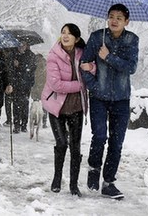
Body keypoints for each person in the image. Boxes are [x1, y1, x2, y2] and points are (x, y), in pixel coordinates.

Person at [79, 3, 139, 200]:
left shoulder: (132, 40)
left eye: (119, 18)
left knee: (117, 142)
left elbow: (131, 68)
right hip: (99, 97)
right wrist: (93, 87)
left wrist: (108, 57)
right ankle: (94, 168)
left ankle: (109, 182)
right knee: (100, 136)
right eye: (111, 16)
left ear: (126, 22)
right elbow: (83, 65)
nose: (114, 20)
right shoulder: (97, 37)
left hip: (121, 99)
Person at [42, 23, 87, 196]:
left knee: (75, 147)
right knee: (61, 143)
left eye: (69, 33)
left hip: (76, 106)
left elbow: (92, 72)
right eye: (63, 33)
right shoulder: (53, 55)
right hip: (56, 107)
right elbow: (56, 84)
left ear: (76, 38)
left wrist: (90, 68)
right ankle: (57, 178)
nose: (65, 36)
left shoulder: (83, 54)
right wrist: (80, 85)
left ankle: (74, 185)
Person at [9, 41, 36, 133]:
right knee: (16, 104)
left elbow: (31, 69)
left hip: (26, 84)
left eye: (23, 44)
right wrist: (13, 65)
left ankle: (24, 124)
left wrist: (19, 65)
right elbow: (9, 69)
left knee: (24, 104)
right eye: (19, 45)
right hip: (16, 84)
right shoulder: (13, 55)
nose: (21, 47)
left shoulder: (31, 55)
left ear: (26, 45)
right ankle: (16, 124)